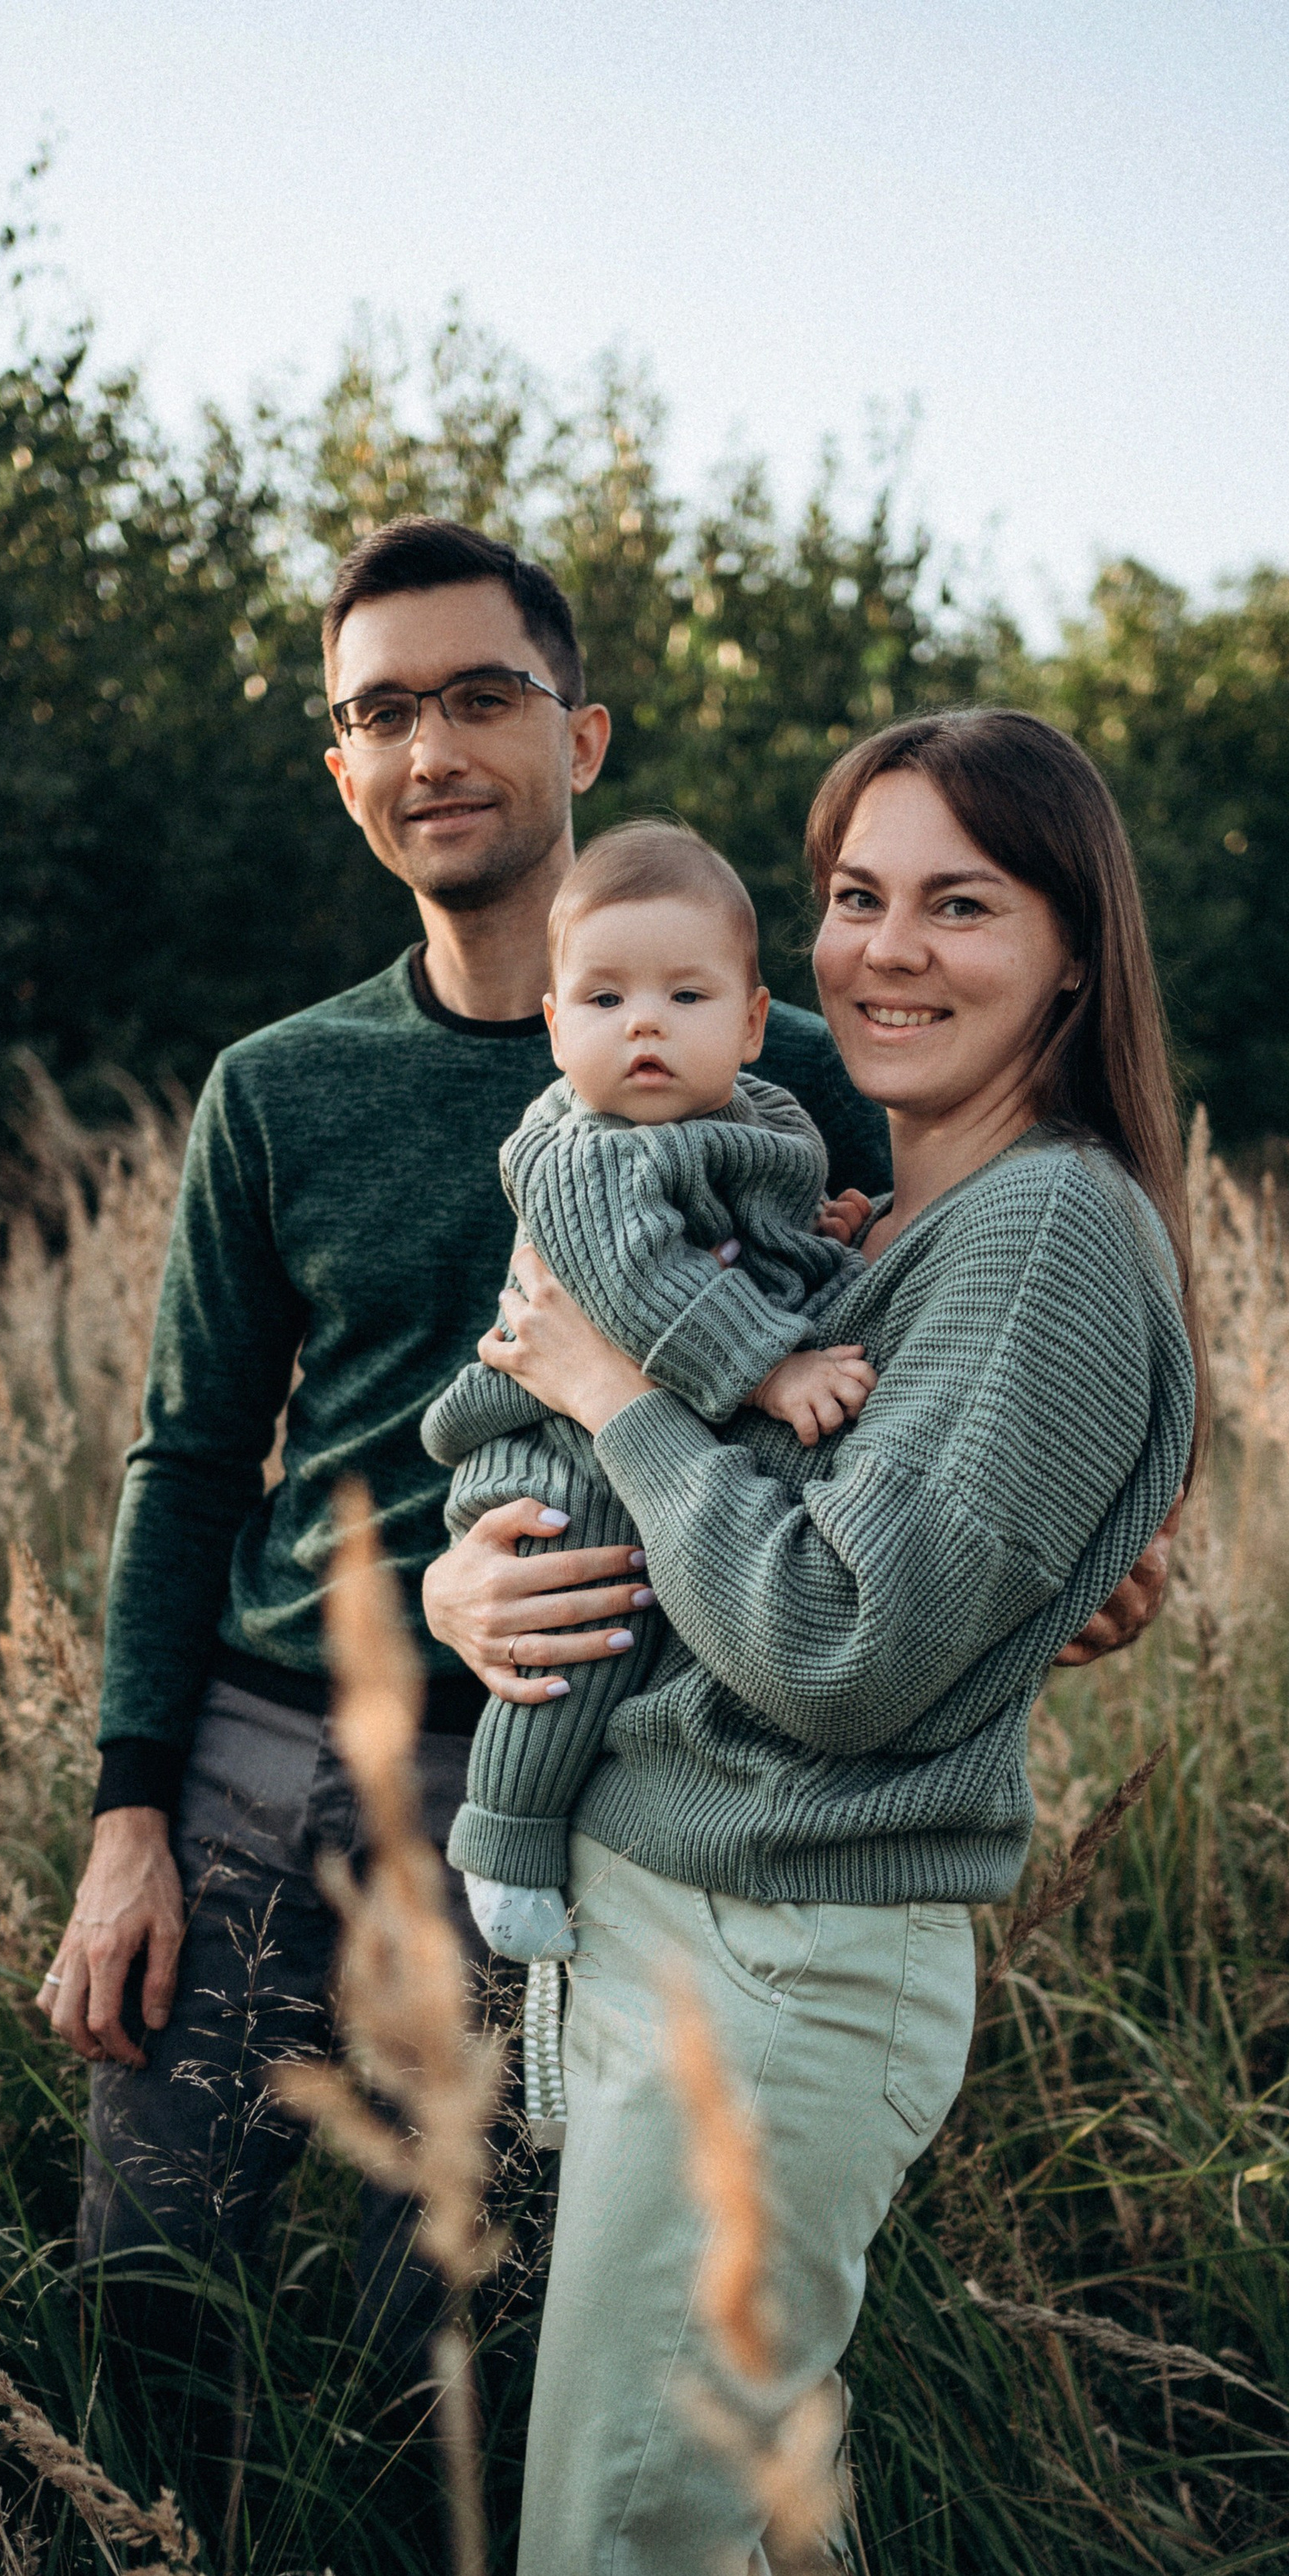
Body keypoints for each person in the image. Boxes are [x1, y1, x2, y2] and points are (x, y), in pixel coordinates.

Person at [40, 513, 1173, 2392]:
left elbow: (949, 1365)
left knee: (455, 2351)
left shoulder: (788, 1069)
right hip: (267, 1742)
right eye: (381, 713)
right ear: (340, 769)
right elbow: (192, 1458)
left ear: (580, 736)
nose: (431, 749)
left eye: (482, 696)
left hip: (566, 1773)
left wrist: (1085, 1562)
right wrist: (125, 1814)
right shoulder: (278, 1088)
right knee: (146, 2300)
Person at [436, 706, 1200, 2576]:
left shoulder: (1049, 1232)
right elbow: (747, 1561)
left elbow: (841, 1650)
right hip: (687, 1937)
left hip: (776, 1972)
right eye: (857, 893)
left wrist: (614, 1400)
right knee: (732, 2562)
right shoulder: (877, 1231)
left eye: (961, 903)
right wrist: (483, 1584)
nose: (887, 948)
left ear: (1070, 954)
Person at [424, 818, 880, 1968]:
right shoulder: (583, 1153)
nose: (643, 1024)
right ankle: (506, 1835)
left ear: (752, 1023)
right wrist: (775, 1369)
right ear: (554, 1027)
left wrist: (823, 1239)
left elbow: (755, 1237)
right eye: (604, 999)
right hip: (553, 1449)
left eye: (685, 996)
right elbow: (644, 1284)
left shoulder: (764, 1119)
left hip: (638, 1422)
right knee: (584, 1625)